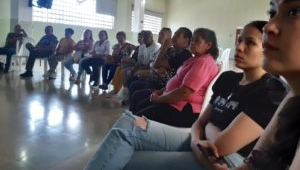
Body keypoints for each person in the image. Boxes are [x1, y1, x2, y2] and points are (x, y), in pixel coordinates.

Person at [83, 21, 288, 170]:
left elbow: (223, 146)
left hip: (228, 160)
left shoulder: (269, 91)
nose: (240, 47)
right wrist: (201, 135)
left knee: (128, 159)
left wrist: (204, 131)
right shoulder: (228, 79)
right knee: (128, 122)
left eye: (250, 43)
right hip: (200, 141)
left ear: (268, 48)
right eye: (239, 40)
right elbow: (201, 122)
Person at [230, 0, 300, 170]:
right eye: (272, 13)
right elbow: (251, 165)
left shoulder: (270, 92)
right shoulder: (293, 98)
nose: (268, 26)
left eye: (295, 11)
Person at [129, 28, 219, 127]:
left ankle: (136, 135)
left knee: (137, 119)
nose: (192, 43)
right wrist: (160, 92)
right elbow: (176, 80)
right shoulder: (195, 59)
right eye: (192, 39)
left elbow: (184, 93)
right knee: (140, 105)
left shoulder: (204, 62)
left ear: (208, 45)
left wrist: (159, 99)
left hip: (182, 108)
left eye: (197, 40)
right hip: (173, 100)